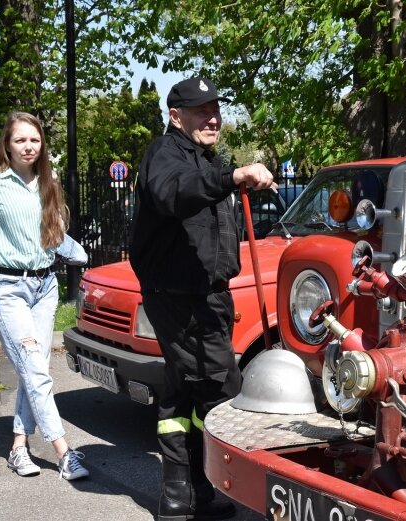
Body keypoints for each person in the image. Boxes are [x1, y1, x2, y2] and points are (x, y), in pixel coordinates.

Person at [130, 77, 276, 521]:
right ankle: (222, 485)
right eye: (200, 111)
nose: (213, 117)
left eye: (215, 109)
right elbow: (175, 193)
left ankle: (186, 492)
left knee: (181, 392)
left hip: (205, 296)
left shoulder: (205, 160)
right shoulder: (165, 154)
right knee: (219, 388)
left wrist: (230, 181)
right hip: (180, 298)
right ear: (176, 116)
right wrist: (232, 176)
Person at [0, 111, 89, 481]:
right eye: (20, 140)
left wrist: (79, 253)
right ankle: (63, 452)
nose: (28, 146)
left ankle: (17, 447)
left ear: (42, 145)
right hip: (7, 289)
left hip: (44, 288)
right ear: (7, 146)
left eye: (34, 140)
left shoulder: (47, 182)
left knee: (34, 369)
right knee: (36, 371)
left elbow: (51, 236)